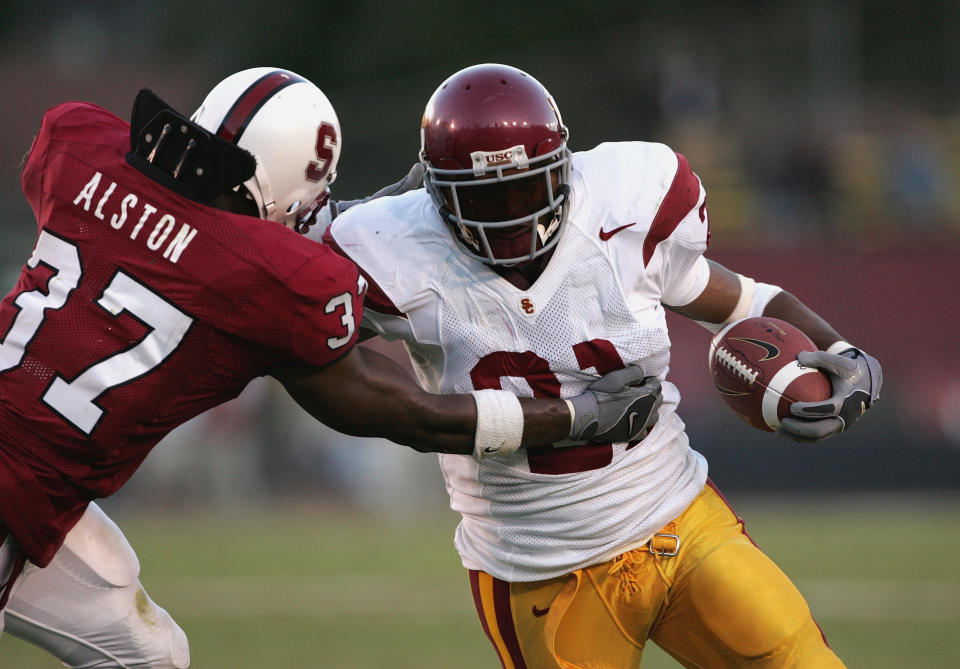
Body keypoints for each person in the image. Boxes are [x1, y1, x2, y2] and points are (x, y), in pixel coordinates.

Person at [0, 67, 657, 668]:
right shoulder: (267, 284)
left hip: (34, 481)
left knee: (150, 655)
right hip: (14, 492)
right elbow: (410, 411)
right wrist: (571, 415)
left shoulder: (77, 146)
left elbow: (149, 214)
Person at [323, 63, 883, 668]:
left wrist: (843, 351)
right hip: (539, 567)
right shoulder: (388, 250)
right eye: (484, 197)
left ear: (564, 166)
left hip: (678, 518)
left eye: (526, 188)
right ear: (434, 193)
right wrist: (574, 417)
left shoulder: (624, 206)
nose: (510, 216)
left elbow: (742, 300)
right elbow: (375, 396)